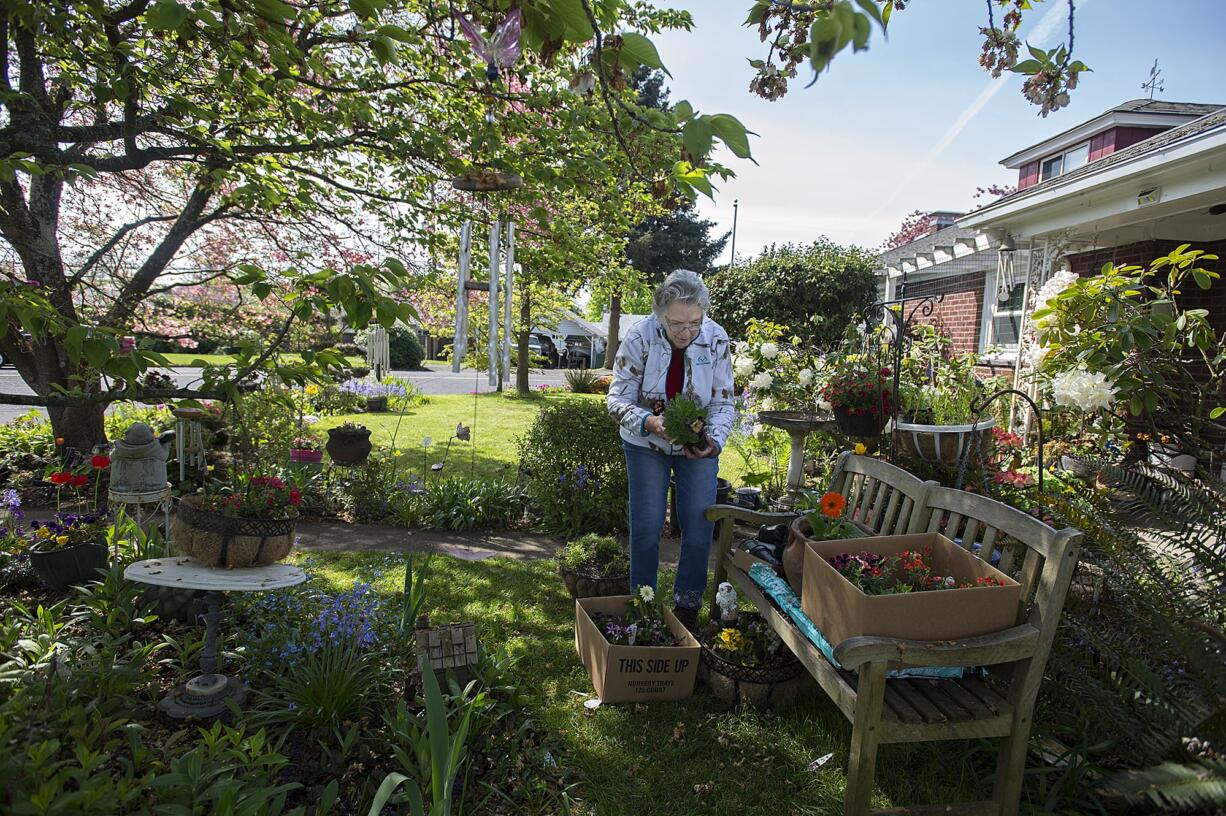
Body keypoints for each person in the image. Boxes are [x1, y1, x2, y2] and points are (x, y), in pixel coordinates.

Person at [606, 269, 736, 628]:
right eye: (677, 324)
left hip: (697, 447)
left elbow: (724, 402)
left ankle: (687, 608)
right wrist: (650, 422)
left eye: (694, 322)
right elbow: (616, 400)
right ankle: (643, 603)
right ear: (661, 314)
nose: (686, 332)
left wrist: (715, 441)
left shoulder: (716, 338)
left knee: (697, 527)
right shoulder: (639, 336)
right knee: (647, 527)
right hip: (646, 443)